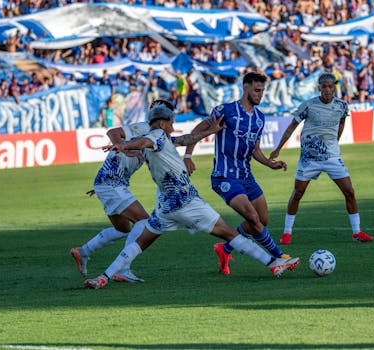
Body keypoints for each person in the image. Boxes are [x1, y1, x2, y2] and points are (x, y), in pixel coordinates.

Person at [84, 103, 300, 289]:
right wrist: (124, 145)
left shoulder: (162, 137)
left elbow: (185, 138)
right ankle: (272, 262)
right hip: (186, 202)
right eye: (170, 122)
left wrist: (211, 131)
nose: (172, 126)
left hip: (166, 207)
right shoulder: (157, 136)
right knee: (228, 233)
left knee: (140, 242)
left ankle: (104, 277)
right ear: (161, 123)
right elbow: (142, 143)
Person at [183, 72, 296, 275]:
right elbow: (199, 129)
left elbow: (255, 151)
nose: (260, 95)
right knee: (252, 217)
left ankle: (225, 249)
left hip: (246, 176)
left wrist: (270, 164)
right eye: (257, 90)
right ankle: (278, 257)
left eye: (262, 91)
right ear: (245, 88)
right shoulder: (226, 111)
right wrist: (188, 156)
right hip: (225, 176)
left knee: (262, 221)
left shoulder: (260, 119)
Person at [71, 99, 173, 283]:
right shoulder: (143, 128)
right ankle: (123, 269)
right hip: (112, 183)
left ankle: (83, 251)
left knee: (122, 228)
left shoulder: (157, 137)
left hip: (107, 183)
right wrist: (123, 147)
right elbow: (113, 132)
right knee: (143, 222)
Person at [269, 73, 374, 245]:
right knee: (298, 193)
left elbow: (341, 123)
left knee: (349, 192)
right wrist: (278, 148)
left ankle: (357, 232)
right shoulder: (308, 105)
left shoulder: (342, 105)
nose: (327, 89)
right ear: (319, 88)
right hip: (309, 159)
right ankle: (287, 233)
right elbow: (291, 127)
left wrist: (335, 142)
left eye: (330, 86)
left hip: (332, 157)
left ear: (334, 87)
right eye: (324, 86)